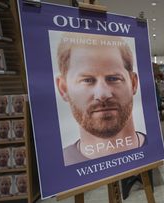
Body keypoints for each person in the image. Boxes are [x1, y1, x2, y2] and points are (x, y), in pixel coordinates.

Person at [55, 32, 145, 166]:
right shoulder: (60, 164)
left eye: (114, 78)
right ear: (63, 89)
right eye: (87, 80)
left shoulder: (152, 149)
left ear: (133, 83)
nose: (103, 94)